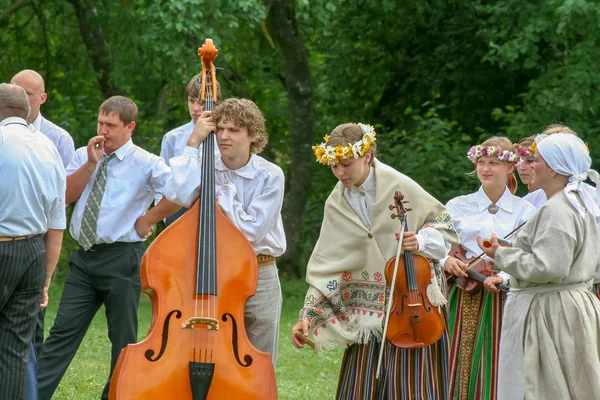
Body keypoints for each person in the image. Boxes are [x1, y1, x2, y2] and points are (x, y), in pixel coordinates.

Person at [291, 123, 458, 399]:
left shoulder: (399, 185)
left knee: (412, 387)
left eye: (346, 164)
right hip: (366, 313)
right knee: (361, 388)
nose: (340, 173)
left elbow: (444, 225)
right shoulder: (336, 203)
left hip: (413, 302)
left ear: (366, 155)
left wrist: (422, 241)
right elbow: (328, 264)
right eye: (333, 166)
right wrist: (307, 316)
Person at [37, 96, 181, 400]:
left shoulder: (146, 162)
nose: (103, 130)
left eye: (111, 125)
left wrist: (150, 218)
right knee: (61, 334)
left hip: (123, 258)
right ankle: (34, 395)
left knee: (123, 340)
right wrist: (91, 164)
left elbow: (179, 193)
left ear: (130, 127)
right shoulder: (84, 154)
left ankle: (116, 395)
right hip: (84, 259)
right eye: (101, 122)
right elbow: (64, 196)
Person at [478, 133, 600, 399]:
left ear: (555, 169)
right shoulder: (579, 203)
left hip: (551, 311)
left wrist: (502, 255)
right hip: (567, 304)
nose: (530, 166)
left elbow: (549, 268)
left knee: (546, 387)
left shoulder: (558, 209)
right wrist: (508, 250)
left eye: (537, 161)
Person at [165, 97, 285, 367]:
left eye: (234, 130)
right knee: (214, 354)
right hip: (214, 272)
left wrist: (218, 194)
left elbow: (251, 232)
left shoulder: (270, 175)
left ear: (252, 134)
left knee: (260, 358)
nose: (224, 136)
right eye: (220, 129)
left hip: (260, 270)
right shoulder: (206, 166)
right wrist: (193, 143)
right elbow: (177, 193)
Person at [442, 136, 536, 400]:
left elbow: (526, 254)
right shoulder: (457, 205)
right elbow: (433, 242)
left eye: (493, 162)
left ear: (509, 167)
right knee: (455, 355)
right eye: (481, 162)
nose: (485, 168)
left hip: (502, 294)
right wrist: (445, 260)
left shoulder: (524, 210)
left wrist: (504, 275)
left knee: (498, 360)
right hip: (461, 290)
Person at [0, 83, 66, 400]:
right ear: (25, 111)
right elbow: (56, 222)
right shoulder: (47, 146)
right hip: (33, 253)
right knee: (15, 348)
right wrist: (46, 277)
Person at [159, 73, 220, 226]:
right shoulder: (172, 138)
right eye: (191, 101)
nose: (195, 108)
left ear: (216, 102)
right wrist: (166, 217)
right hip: (178, 213)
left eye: (201, 102)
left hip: (219, 213)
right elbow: (163, 181)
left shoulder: (226, 136)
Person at [11, 69, 75, 167]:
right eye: (14, 92)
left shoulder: (59, 140)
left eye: (27, 93)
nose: (18, 98)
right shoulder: (2, 133)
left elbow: (68, 180)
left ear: (42, 98)